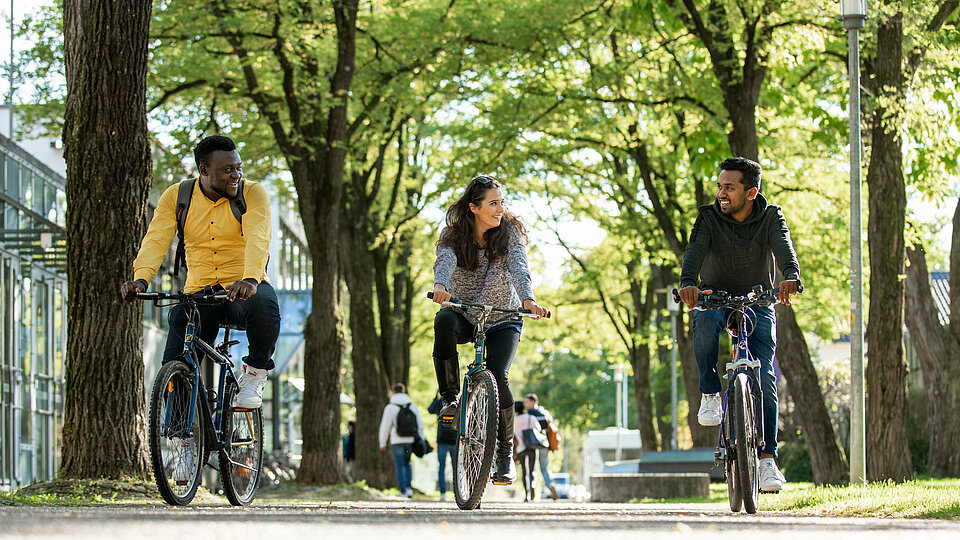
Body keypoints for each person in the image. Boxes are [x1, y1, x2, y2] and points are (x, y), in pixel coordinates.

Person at [121, 135, 280, 409]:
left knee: (265, 306)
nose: (236, 175)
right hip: (199, 291)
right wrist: (141, 278)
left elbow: (258, 237)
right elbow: (156, 239)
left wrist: (251, 278)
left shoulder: (252, 193)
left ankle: (254, 374)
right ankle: (181, 440)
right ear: (204, 171)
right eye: (227, 170)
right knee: (175, 362)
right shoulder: (178, 196)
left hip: (242, 286)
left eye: (238, 167)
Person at [677, 156, 801, 493]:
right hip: (714, 295)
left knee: (765, 377)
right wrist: (689, 282)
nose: (721, 193)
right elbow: (694, 251)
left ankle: (767, 461)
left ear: (750, 192)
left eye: (729, 188)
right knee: (703, 323)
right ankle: (709, 392)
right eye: (719, 186)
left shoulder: (771, 216)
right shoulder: (707, 217)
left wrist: (791, 276)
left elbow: (784, 248)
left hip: (757, 297)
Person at [429, 175, 549, 486]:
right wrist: (440, 287)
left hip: (503, 316)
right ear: (474, 207)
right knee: (443, 322)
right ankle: (450, 400)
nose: (500, 209)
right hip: (463, 311)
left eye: (501, 202)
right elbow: (444, 261)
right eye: (493, 203)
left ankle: (504, 455)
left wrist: (529, 300)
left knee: (498, 375)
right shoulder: (453, 235)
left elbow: (520, 267)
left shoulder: (508, 234)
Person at [378, 383, 425, 498]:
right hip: (410, 440)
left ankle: (403, 491)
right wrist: (421, 437)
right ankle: (409, 489)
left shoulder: (390, 407)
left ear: (393, 392)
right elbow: (420, 425)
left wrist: (382, 443)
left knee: (399, 465)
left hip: (397, 440)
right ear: (404, 391)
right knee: (407, 463)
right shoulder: (412, 406)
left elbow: (385, 427)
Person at [524, 393, 558, 500]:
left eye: (527, 402)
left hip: (532, 443)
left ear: (533, 402)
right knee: (544, 467)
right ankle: (550, 484)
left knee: (531, 468)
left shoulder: (530, 413)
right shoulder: (545, 413)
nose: (525, 405)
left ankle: (531, 491)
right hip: (544, 443)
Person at [428, 394, 458, 501]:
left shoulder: (440, 403)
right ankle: (457, 490)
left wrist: (435, 397)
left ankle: (443, 492)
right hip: (454, 439)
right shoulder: (457, 403)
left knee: (441, 467)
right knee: (456, 467)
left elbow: (430, 410)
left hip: (442, 439)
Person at [513, 401, 540, 502]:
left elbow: (513, 435)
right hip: (532, 447)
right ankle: (533, 490)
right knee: (532, 470)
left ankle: (526, 494)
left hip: (521, 448)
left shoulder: (514, 420)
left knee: (524, 471)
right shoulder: (530, 417)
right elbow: (538, 429)